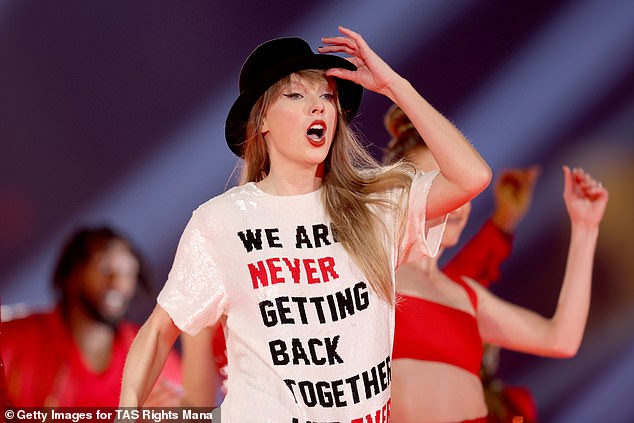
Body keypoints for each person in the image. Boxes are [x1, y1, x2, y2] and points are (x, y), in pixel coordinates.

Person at [118, 26, 491, 422]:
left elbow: (472, 177)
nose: (319, 107)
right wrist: (126, 411)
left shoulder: (374, 205)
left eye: (326, 96)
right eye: (296, 95)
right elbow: (160, 331)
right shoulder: (221, 222)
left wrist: (396, 86)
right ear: (261, 121)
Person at [383, 116, 608, 421]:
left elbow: (561, 340)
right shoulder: (373, 276)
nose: (457, 203)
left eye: (462, 188)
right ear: (398, 191)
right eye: (439, 186)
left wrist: (585, 226)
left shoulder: (466, 296)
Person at [0, 226, 182, 407]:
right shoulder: (13, 340)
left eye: (128, 272)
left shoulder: (153, 354)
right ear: (73, 273)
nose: (117, 282)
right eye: (104, 268)